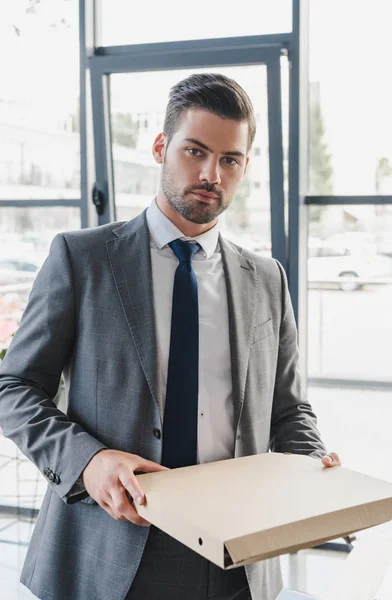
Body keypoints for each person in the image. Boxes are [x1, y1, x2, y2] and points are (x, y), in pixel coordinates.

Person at [0, 73, 341, 600]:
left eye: (230, 159)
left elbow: (289, 411)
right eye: (195, 151)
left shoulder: (267, 278)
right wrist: (86, 462)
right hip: (110, 547)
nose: (211, 174)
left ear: (245, 167)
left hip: (237, 556)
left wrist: (314, 467)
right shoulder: (81, 258)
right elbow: (14, 387)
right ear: (161, 147)